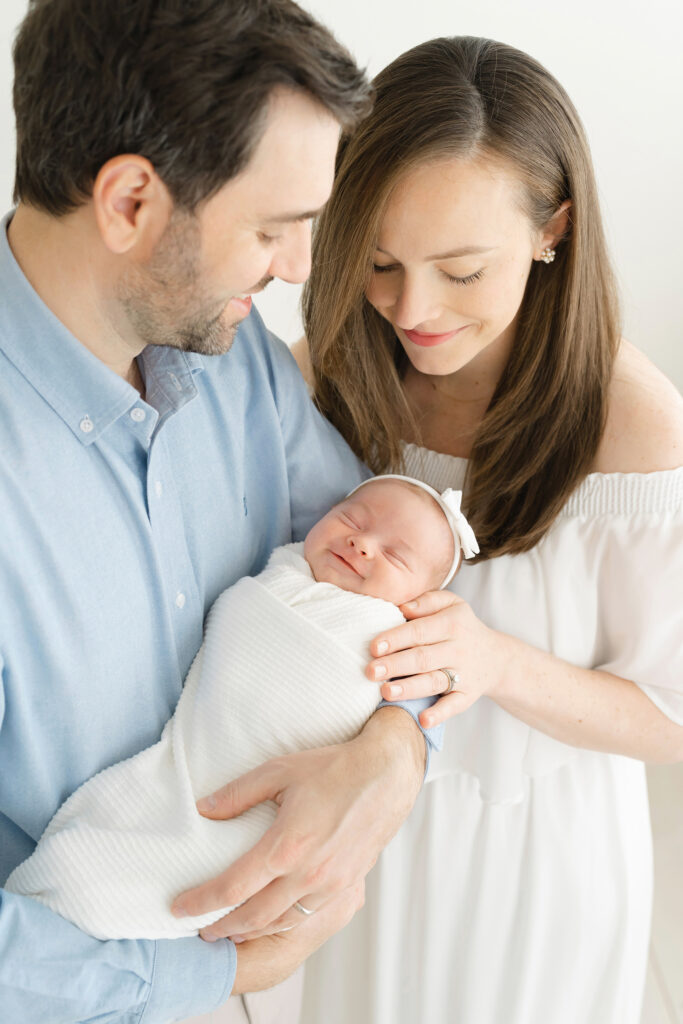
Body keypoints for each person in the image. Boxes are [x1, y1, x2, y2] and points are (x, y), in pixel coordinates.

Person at [0, 4, 440, 1022]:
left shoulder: (233, 363)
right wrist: (220, 974)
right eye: (270, 226)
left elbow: (397, 580)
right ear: (129, 202)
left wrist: (393, 751)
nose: (296, 264)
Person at [293, 35, 683, 1024]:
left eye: (461, 270)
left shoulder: (627, 423)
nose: (410, 309)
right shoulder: (328, 370)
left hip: (530, 870)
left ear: (552, 230)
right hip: (357, 850)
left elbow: (670, 713)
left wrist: (492, 662)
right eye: (378, 260)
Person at [7, 476, 478, 942]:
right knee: (102, 840)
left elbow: (427, 685)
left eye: (394, 555)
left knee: (152, 872)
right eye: (350, 519)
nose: (362, 544)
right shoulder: (286, 570)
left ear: (422, 603)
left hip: (272, 807)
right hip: (194, 754)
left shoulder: (391, 636)